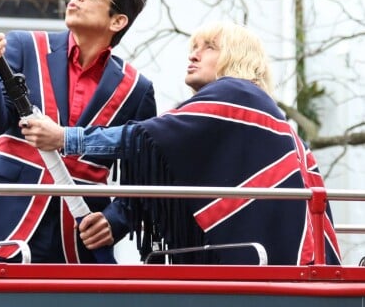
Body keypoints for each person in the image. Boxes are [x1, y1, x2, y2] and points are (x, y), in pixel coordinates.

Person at [21, 21, 342, 265]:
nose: (194, 53)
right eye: (194, 46)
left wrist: (65, 137)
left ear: (236, 56)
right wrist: (114, 220)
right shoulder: (256, 111)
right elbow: (173, 171)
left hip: (267, 263)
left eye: (209, 47)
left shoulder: (236, 94)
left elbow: (146, 140)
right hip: (285, 257)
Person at [0, 0, 157, 263]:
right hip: (6, 227)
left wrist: (115, 221)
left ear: (117, 20)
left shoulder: (137, 89)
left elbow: (147, 177)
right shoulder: (24, 46)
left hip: (80, 241)